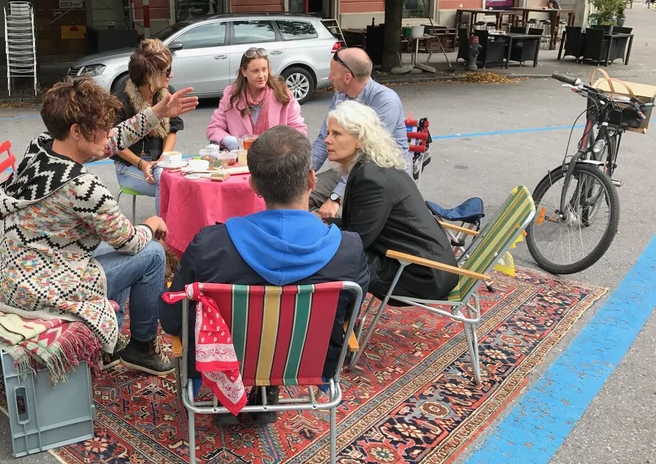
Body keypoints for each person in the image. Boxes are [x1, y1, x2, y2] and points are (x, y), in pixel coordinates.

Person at [160, 125, 369, 423]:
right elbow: (351, 317)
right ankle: (268, 381)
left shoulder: (211, 244)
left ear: (253, 186)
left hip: (224, 360)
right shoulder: (348, 250)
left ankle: (235, 384)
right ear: (311, 179)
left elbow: (172, 318)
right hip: (309, 362)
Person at [0, 78, 198, 375]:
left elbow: (110, 141)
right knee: (152, 253)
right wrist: (152, 223)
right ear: (77, 131)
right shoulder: (81, 187)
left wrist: (156, 111)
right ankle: (140, 348)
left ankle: (114, 337)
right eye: (101, 128)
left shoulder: (41, 147)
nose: (108, 135)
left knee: (117, 248)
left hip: (18, 273)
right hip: (46, 287)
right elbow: (129, 241)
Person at [321, 100, 458, 303]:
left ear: (359, 140)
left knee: (332, 259)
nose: (327, 140)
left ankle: (336, 324)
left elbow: (357, 241)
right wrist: (321, 223)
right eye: (328, 133)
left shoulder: (370, 177)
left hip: (421, 276)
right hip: (424, 266)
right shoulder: (371, 167)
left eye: (336, 134)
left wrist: (315, 234)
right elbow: (358, 227)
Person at [310, 47, 408, 219]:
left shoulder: (386, 101)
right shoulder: (340, 96)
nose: (330, 77)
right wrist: (305, 170)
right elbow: (322, 139)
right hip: (347, 171)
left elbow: (368, 155)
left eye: (333, 73)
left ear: (347, 77)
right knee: (300, 196)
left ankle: (337, 237)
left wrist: (336, 196)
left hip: (381, 175)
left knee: (348, 213)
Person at [112, 39, 184, 214]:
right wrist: (141, 163)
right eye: (167, 71)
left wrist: (163, 158)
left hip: (160, 164)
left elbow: (172, 130)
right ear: (148, 77)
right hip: (129, 167)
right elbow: (114, 144)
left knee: (187, 181)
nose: (171, 75)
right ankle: (165, 236)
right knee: (169, 184)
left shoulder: (167, 93)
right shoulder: (121, 99)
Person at [206, 47, 307, 149]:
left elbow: (299, 130)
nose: (261, 75)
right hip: (240, 159)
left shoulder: (283, 94)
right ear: (244, 72)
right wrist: (228, 140)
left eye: (264, 69)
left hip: (275, 160)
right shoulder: (231, 95)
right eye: (255, 71)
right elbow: (214, 128)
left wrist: (279, 145)